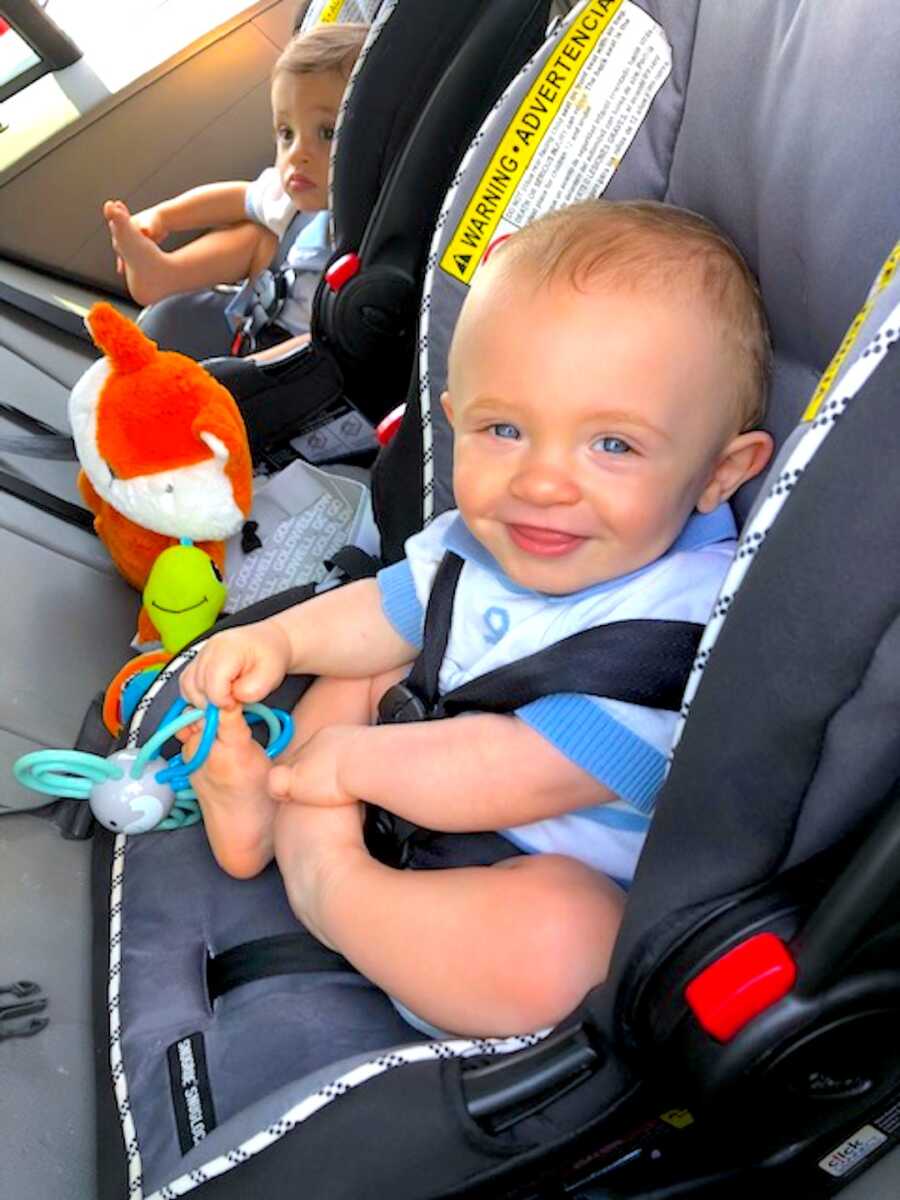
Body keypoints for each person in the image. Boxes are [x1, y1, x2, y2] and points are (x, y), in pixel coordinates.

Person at [178, 199, 775, 1038]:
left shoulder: (680, 620)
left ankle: (330, 884)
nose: (541, 483)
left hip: (512, 886)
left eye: (613, 446)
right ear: (455, 423)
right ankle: (265, 816)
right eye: (505, 429)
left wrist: (351, 767)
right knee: (375, 658)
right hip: (391, 784)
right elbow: (384, 611)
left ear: (720, 474)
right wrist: (277, 638)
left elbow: (521, 771)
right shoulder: (482, 540)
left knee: (569, 946)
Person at [102, 22, 367, 361]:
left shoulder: (377, 223)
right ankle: (163, 273)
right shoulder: (296, 199)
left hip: (306, 356)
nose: (297, 153)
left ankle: (242, 368)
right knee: (256, 234)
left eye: (327, 133)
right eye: (286, 133)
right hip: (261, 317)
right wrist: (164, 217)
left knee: (266, 237)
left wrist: (247, 370)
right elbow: (238, 198)